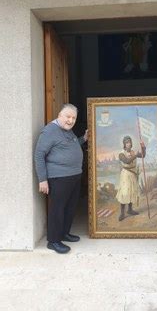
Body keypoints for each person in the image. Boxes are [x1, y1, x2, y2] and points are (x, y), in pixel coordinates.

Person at [34, 104, 88, 254]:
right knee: (57, 209)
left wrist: (84, 138)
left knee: (70, 207)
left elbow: (71, 145)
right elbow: (39, 155)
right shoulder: (50, 131)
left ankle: (64, 233)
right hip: (58, 177)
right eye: (68, 117)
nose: (70, 120)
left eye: (73, 118)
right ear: (59, 115)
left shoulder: (67, 131)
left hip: (74, 175)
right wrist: (42, 179)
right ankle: (53, 241)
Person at [116, 136, 146, 221]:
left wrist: (143, 148)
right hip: (125, 174)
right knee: (124, 192)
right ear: (124, 144)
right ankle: (122, 213)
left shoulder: (133, 152)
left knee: (132, 191)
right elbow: (126, 161)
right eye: (127, 142)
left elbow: (143, 155)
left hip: (133, 174)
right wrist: (135, 155)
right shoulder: (121, 154)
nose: (128, 144)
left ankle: (130, 210)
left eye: (129, 142)